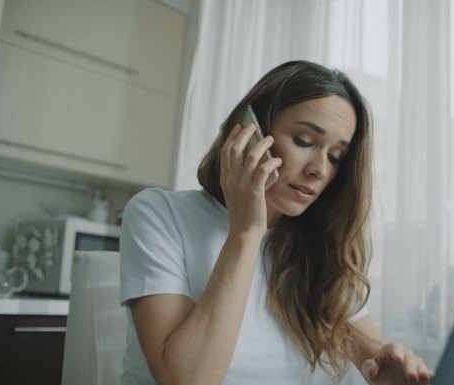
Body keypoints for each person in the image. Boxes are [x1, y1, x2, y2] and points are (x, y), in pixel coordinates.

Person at [120, 60, 433, 385]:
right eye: (304, 140)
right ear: (249, 132)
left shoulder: (318, 247)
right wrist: (246, 233)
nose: (319, 170)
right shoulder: (159, 214)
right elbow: (187, 380)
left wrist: (386, 368)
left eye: (335, 157)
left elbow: (371, 352)